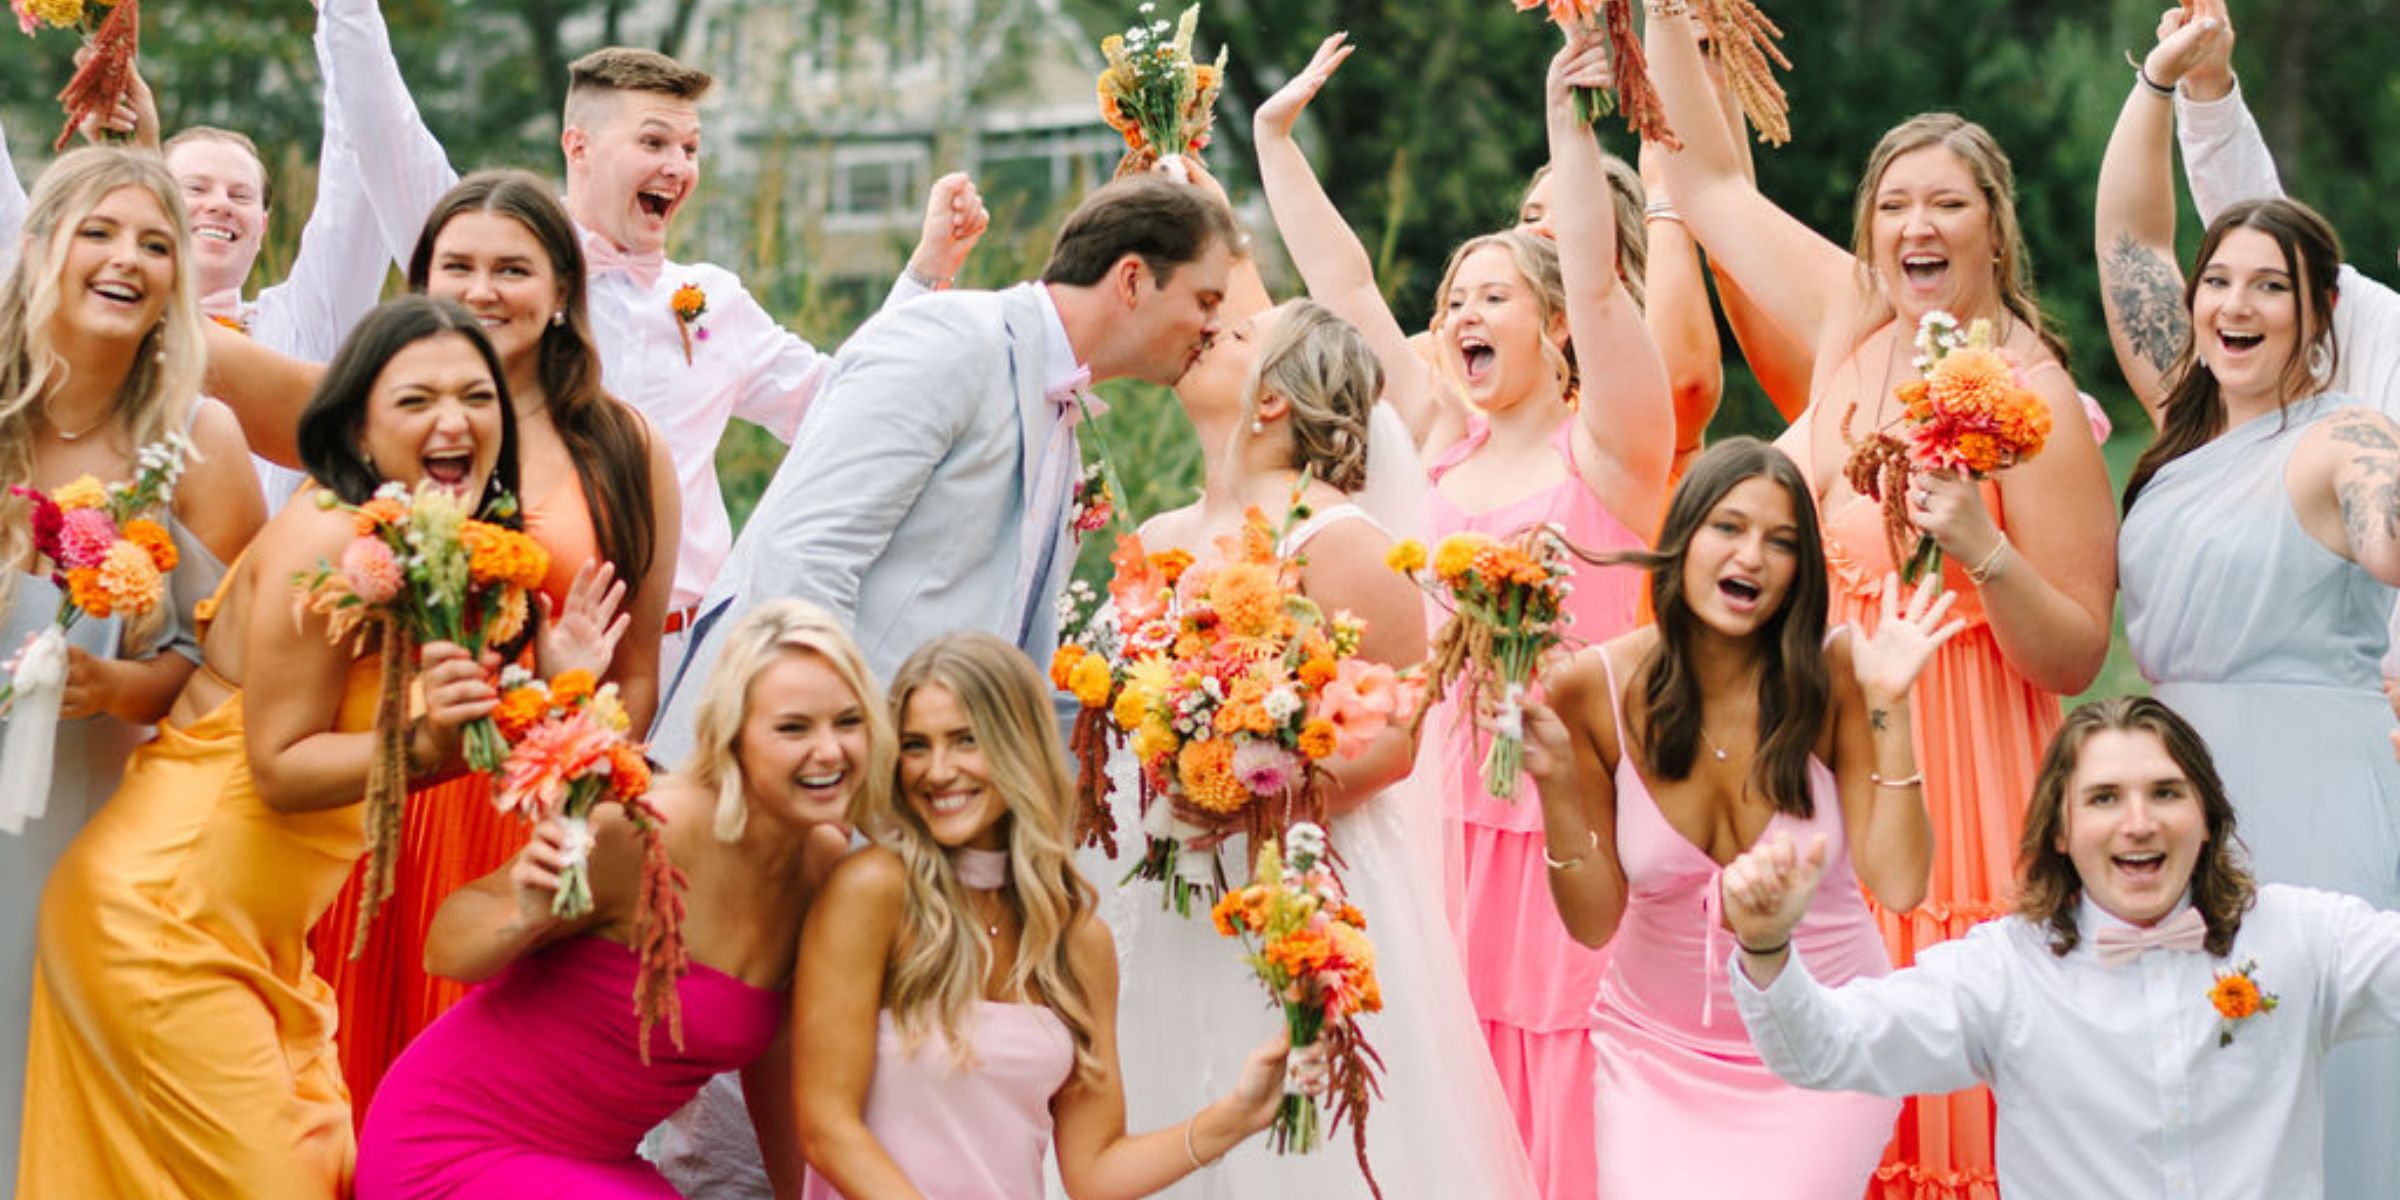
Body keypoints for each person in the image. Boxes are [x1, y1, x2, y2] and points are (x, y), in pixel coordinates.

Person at [640, 173, 1236, 1193]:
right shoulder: (951, 345)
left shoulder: (1050, 404)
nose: (1214, 330)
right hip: (777, 808)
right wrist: (848, 791)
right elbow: (802, 566)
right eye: (1208, 301)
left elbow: (987, 643)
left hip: (879, 816)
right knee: (720, 1130)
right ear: (1133, 279)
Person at [1645, 11, 2119, 1191]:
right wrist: (1659, 17)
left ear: (1995, 231)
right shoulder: (1857, 320)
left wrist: (1984, 552)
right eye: (1896, 202)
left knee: (1933, 1086)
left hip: (1961, 771)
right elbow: (1703, 178)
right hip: (1821, 753)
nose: (1918, 224)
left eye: (1947, 203)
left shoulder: (2036, 401)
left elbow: (2076, 655)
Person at [1250, 34, 1675, 1196]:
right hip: (1444, 805)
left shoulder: (1616, 454)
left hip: (1570, 805)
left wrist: (1566, 115)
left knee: (1566, 1053)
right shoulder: (1440, 440)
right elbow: (1342, 292)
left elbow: (1594, 277)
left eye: (1492, 295)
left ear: (1554, 326)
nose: (1459, 313)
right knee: (1455, 1053)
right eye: (1453, 298)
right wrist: (1270, 145)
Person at [201, 168, 681, 1116]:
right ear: (421, 284)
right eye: (455, 265)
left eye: (513, 268)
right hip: (372, 798)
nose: (482, 288)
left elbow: (633, 675)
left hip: (522, 814)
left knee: (482, 1103)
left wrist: (568, 768)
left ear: (560, 294)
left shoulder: (622, 449)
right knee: (334, 1089)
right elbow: (186, 346)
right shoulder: (369, 418)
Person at [15, 296, 521, 1196]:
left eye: (477, 397)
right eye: (416, 400)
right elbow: (281, 770)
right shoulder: (329, 541)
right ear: (360, 433)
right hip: (166, 922)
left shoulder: (417, 550)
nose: (454, 420)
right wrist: (427, 743)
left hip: (259, 942)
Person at [318, 23, 990, 652]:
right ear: (577, 146)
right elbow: (387, 133)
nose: (678, 166)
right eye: (654, 143)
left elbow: (839, 409)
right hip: (524, 630)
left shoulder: (711, 300)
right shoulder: (500, 272)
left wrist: (926, 271)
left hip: (694, 647)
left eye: (690, 149)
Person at [1099, 297, 1539, 1197]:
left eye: (1227, 337)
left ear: (1270, 401)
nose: (1200, 338)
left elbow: (1399, 744)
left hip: (1294, 890)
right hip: (1159, 895)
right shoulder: (1156, 541)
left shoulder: (1342, 541)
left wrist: (1256, 794)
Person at [2097, 27, 2400, 1190]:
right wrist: (2162, 77)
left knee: (2317, 1085)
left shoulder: (2346, 437)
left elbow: (2386, 528)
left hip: (2315, 802)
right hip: (2169, 801)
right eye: (2218, 279)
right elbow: (2129, 239)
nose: (2236, 301)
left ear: (2319, 313)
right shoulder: (2183, 414)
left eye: (2271, 286)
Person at [1725, 695, 2400, 1200]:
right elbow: (1829, 1049)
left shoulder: (2303, 935)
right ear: (2060, 830)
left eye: (2165, 793)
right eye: (2104, 798)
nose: (2139, 823)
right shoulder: (2001, 971)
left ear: (2207, 817)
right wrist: (1766, 948)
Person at [1522, 437, 1952, 1196]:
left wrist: (1891, 706)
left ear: (1799, 573)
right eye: (1729, 527)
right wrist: (1556, 783)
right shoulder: (1595, 687)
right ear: (1684, 537)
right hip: (1654, 1053)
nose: (1751, 556)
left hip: (1826, 1042)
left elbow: (1901, 881)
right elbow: (1592, 923)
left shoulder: (1838, 675)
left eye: (1781, 542)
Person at [354, 600, 874, 1199]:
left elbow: (776, 1070)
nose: (830, 750)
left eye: (848, 722)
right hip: (456, 1143)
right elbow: (443, 950)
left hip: (597, 1163)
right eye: (793, 728)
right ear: (734, 738)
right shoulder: (646, 829)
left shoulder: (825, 873)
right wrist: (524, 909)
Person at [792, 631, 1303, 1199]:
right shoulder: (871, 892)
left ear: (1021, 748)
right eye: (916, 745)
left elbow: (1093, 1171)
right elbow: (827, 1129)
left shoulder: (1077, 940)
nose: (937, 770)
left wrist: (1236, 1115)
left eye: (966, 740)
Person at [0, 145, 265, 1191]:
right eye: (99, 233)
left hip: (96, 827)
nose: (127, 260)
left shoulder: (202, 440)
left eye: (156, 244)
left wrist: (117, 686)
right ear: (41, 250)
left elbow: (225, 670)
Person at [5, 0, 436, 507]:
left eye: (240, 195)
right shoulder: (66, 327)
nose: (219, 206)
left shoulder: (307, 321)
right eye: (195, 189)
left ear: (263, 227)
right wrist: (129, 159)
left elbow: (358, 150)